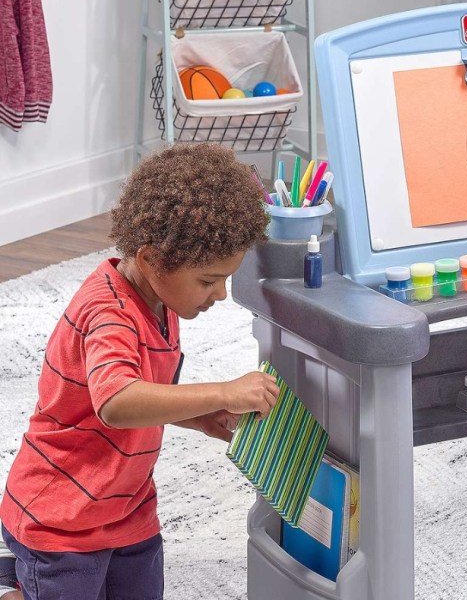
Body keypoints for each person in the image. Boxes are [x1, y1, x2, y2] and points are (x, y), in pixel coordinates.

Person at [0, 143, 280, 600]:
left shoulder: (161, 301)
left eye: (226, 279)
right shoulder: (108, 314)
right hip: (62, 513)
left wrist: (198, 418)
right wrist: (222, 392)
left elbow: (149, 396)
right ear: (151, 260)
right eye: (208, 280)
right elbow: (118, 402)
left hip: (126, 506)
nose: (221, 294)